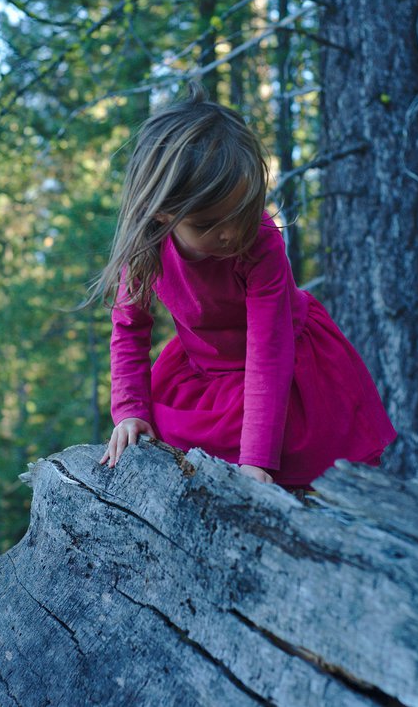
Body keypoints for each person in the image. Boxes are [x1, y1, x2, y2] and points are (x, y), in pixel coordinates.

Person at [93, 84, 396, 488]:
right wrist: (129, 410)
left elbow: (269, 351)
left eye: (242, 212)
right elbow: (129, 329)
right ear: (162, 213)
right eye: (208, 224)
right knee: (158, 432)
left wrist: (256, 460)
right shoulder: (144, 248)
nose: (231, 233)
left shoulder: (260, 239)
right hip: (204, 372)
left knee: (298, 455)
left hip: (283, 368)